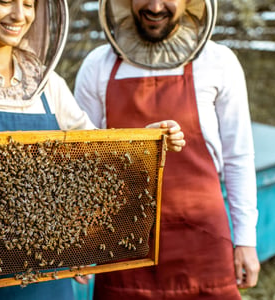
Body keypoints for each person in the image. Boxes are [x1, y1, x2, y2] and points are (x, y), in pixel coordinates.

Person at [0, 0, 185, 299]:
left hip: (51, 269)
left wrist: (143, 143)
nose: (19, 14)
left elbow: (96, 158)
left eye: (29, 4)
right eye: (6, 1)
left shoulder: (47, 85)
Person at [74, 0, 260, 299]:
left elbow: (238, 156)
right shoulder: (98, 64)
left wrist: (246, 240)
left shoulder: (218, 61)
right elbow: (81, 159)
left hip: (202, 241)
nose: (156, 5)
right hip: (123, 244)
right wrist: (80, 239)